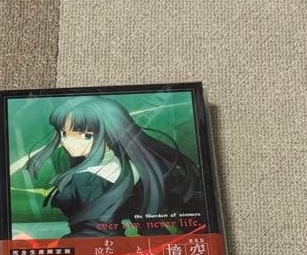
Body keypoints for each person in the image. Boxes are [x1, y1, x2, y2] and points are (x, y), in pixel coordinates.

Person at [18, 96, 202, 237]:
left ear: (112, 133)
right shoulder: (133, 167)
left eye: (85, 135)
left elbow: (97, 234)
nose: (66, 142)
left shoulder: (87, 180)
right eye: (63, 134)